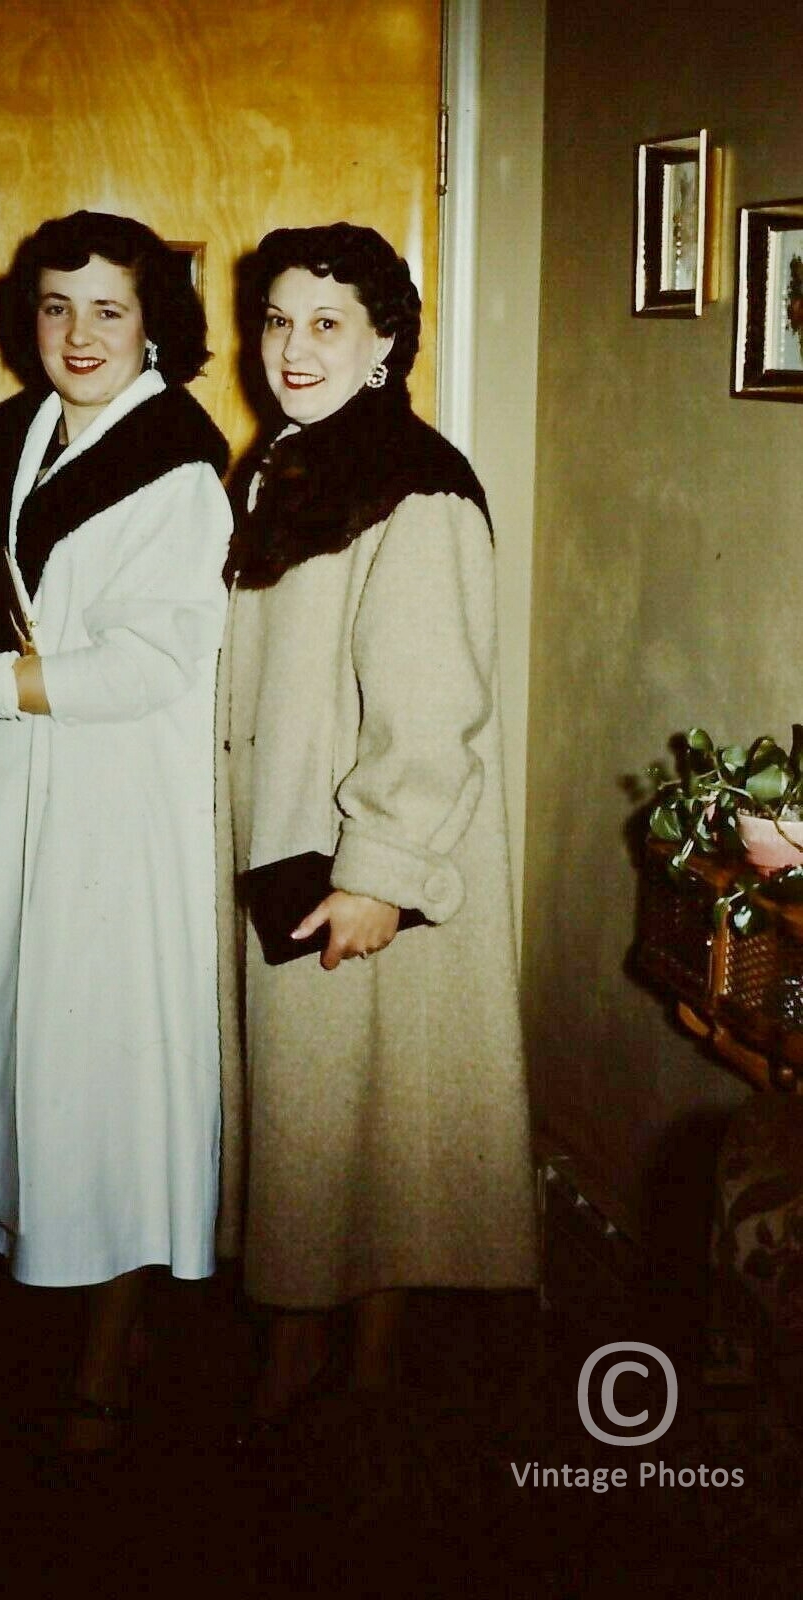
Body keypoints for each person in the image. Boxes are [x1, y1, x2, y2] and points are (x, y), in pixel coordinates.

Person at [0, 211, 231, 1451]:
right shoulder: (12, 433)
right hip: (1, 791)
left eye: (108, 309)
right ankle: (38, 1304)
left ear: (154, 325)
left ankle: (109, 1348)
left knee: (103, 1075)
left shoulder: (180, 464)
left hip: (107, 808)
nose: (77, 334)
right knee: (6, 1055)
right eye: (55, 306)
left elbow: (148, 666)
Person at [216, 223, 536, 1428]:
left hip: (357, 862)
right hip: (295, 840)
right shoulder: (288, 461)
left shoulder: (416, 483)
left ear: (386, 341)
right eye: (278, 321)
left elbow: (432, 708)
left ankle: (345, 1388)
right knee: (332, 1131)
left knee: (362, 1128)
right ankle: (323, 1373)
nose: (294, 350)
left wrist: (380, 875)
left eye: (327, 324)